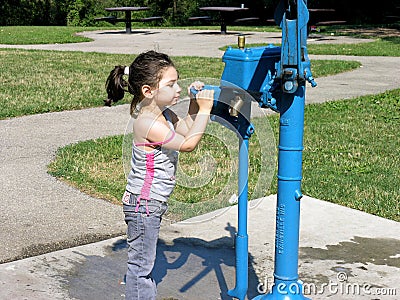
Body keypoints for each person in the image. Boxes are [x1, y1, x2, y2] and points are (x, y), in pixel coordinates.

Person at [104, 50, 214, 300]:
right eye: (171, 84)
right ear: (148, 91)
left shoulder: (163, 114)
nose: (178, 88)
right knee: (141, 270)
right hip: (144, 204)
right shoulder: (146, 123)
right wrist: (206, 110)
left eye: (178, 82)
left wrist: (195, 103)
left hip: (150, 203)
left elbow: (186, 129)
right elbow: (188, 145)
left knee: (144, 265)